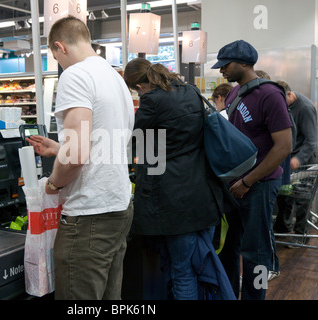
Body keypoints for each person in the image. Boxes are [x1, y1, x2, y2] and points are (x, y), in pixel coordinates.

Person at [26, 16, 135, 300]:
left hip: (88, 216)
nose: (59, 64)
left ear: (60, 47)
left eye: (55, 57)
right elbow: (106, 139)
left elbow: (76, 155)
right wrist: (59, 148)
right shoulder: (114, 77)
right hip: (118, 205)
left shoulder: (75, 75)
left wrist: (53, 184)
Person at [123, 58, 234, 300]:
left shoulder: (152, 101)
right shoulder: (190, 91)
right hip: (203, 191)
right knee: (198, 265)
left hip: (176, 199)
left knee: (182, 271)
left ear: (139, 87)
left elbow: (132, 139)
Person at [212, 40, 292, 300]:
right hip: (235, 186)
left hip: (258, 185)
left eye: (226, 65)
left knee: (256, 253)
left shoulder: (270, 94)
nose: (221, 70)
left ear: (244, 63)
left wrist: (248, 182)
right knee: (229, 247)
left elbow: (283, 147)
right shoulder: (235, 93)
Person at [273, 80, 318, 242]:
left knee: (302, 199)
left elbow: (312, 140)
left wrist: (298, 159)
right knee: (285, 196)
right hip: (290, 157)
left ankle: (302, 235)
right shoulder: (287, 106)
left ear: (290, 94)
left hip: (306, 159)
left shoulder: (305, 108)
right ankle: (282, 230)